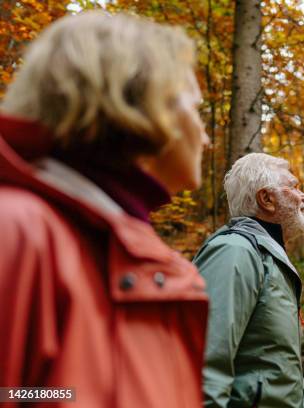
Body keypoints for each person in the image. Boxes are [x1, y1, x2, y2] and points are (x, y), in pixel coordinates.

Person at [0, 11, 210, 407]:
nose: (205, 134)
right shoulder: (17, 230)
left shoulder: (127, 247)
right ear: (149, 106)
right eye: (195, 109)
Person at [193, 153, 304, 407]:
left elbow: (282, 375)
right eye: (293, 187)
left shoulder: (269, 256)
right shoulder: (234, 252)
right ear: (266, 199)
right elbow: (202, 371)